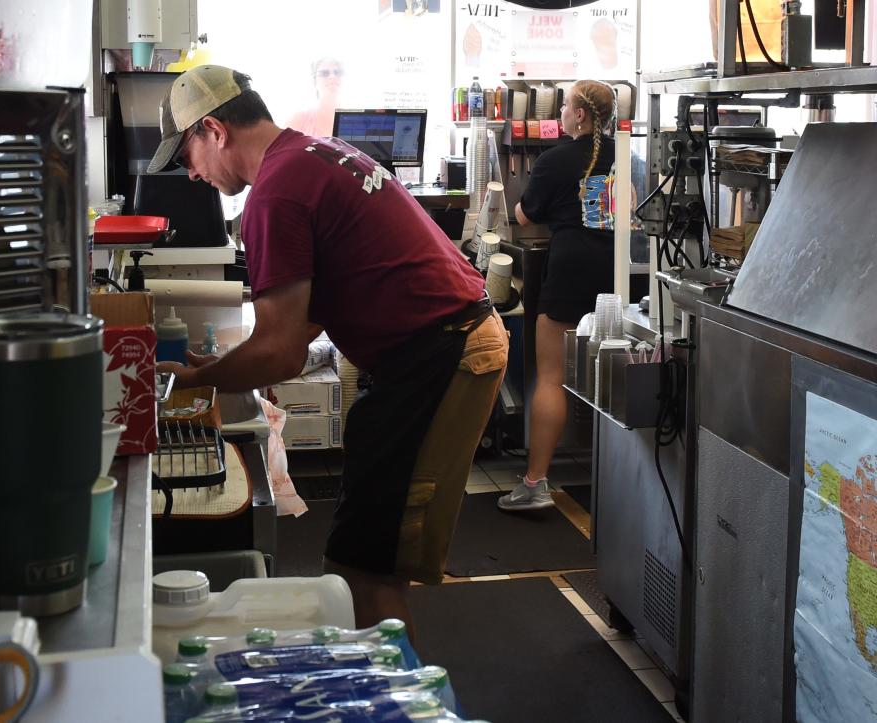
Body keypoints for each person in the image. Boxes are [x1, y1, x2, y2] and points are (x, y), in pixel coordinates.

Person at [147, 65, 508, 637]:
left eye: (185, 154)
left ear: (215, 130)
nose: (190, 175)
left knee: (364, 569)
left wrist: (194, 378)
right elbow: (312, 310)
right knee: (359, 555)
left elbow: (281, 354)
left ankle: (398, 698)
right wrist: (234, 361)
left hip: (441, 355)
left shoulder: (274, 194)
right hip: (436, 347)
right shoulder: (310, 152)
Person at [498, 79, 616, 512]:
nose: (560, 114)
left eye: (564, 106)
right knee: (614, 376)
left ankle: (535, 483)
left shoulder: (554, 159)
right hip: (617, 273)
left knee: (552, 379)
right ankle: (620, 478)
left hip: (569, 269)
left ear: (580, 115)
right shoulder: (627, 154)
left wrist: (516, 208)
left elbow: (526, 215)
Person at [286, 57, 344, 137]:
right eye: (324, 73)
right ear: (315, 81)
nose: (332, 77)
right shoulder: (299, 120)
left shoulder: (359, 119)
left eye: (337, 73)